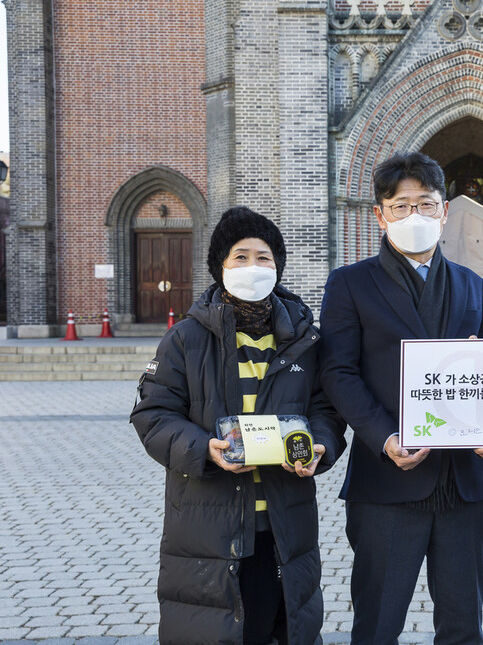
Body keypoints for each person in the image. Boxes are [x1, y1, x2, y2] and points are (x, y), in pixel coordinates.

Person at [131, 206, 346, 645]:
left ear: (278, 265)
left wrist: (320, 446)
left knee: (282, 625)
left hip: (283, 524)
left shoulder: (305, 340)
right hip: (209, 526)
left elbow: (327, 410)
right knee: (214, 628)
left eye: (263, 257)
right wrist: (202, 449)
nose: (253, 267)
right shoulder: (186, 339)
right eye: (240, 257)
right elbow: (152, 415)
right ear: (220, 267)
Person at [318, 151, 483, 645]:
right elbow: (338, 372)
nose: (414, 215)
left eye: (426, 203)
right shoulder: (350, 284)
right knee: (378, 624)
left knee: (463, 627)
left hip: (463, 483)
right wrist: (384, 436)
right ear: (380, 214)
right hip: (387, 480)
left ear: (445, 211)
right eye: (401, 206)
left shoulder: (470, 284)